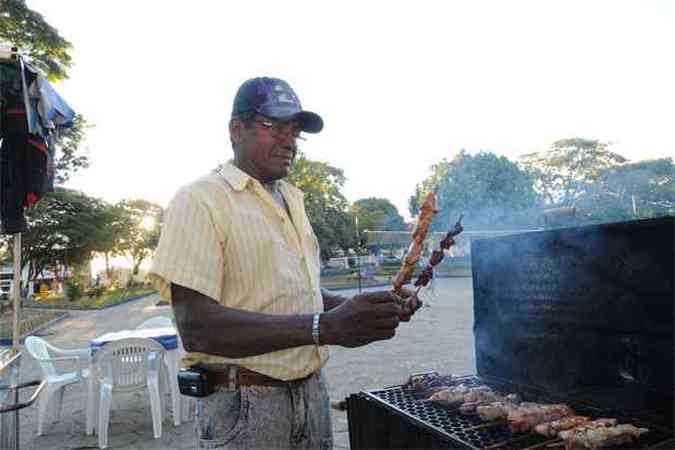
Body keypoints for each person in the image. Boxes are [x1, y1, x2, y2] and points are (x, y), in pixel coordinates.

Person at [149, 76, 419, 450]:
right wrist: (324, 328)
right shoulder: (201, 199)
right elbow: (197, 326)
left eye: (295, 130)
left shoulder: (291, 200)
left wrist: (374, 308)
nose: (288, 139)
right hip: (244, 405)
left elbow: (300, 295)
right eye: (272, 125)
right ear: (236, 129)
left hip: (311, 394)